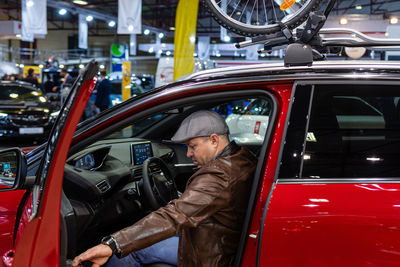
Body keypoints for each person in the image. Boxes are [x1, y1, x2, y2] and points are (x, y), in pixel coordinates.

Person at [72, 110, 257, 267]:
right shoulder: (241, 157)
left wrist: (113, 244)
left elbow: (173, 215)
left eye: (193, 146)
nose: (189, 153)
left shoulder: (217, 176)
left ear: (214, 140)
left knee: (132, 251)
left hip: (208, 254)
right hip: (217, 237)